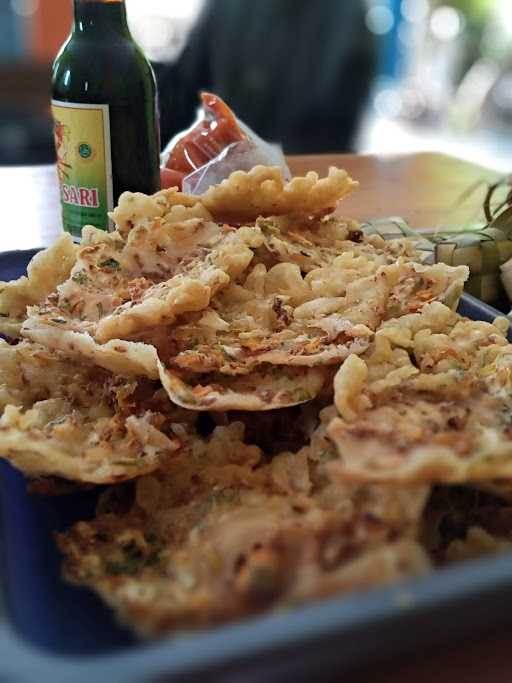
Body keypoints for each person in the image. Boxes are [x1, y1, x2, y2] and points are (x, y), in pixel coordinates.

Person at [156, 0, 377, 155]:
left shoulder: (347, 17)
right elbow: (184, 86)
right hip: (214, 171)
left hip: (294, 183)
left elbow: (334, 135)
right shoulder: (225, 5)